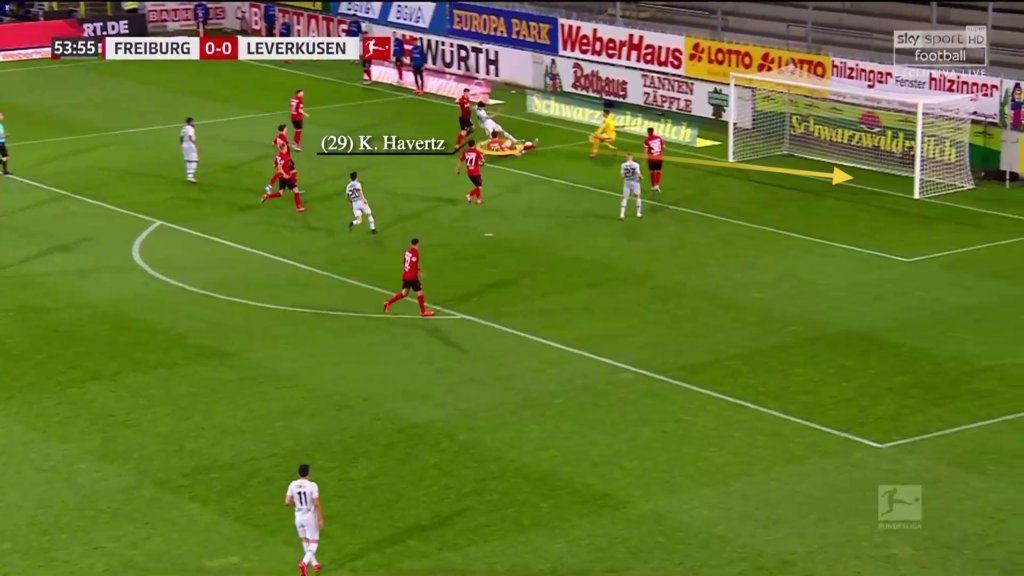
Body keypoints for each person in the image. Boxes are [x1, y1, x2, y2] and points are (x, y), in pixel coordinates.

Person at [285, 464, 323, 576]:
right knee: (314, 542)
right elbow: (317, 504)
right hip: (309, 516)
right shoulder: (312, 486)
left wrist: (296, 503)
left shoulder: (292, 484)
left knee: (305, 540)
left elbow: (287, 502)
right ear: (308, 473)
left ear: (298, 473)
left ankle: (315, 564)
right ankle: (304, 563)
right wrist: (320, 519)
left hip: (298, 516)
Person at [383, 238, 435, 317]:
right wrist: (419, 272)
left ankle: (388, 303)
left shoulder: (407, 251)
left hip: (406, 275)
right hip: (412, 277)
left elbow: (404, 262)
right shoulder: (415, 252)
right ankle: (423, 311)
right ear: (417, 244)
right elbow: (414, 264)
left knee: (404, 293)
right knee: (420, 292)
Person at [457, 139, 485, 204]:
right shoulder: (477, 152)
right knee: (479, 187)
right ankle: (469, 195)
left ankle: (479, 200)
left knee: (477, 186)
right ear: (474, 144)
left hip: (469, 173)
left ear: (468, 145)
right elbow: (483, 161)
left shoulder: (466, 153)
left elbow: (460, 161)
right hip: (476, 172)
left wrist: (458, 169)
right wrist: (482, 162)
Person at [619, 152, 643, 220]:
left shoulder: (623, 165)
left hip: (627, 182)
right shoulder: (636, 164)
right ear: (632, 157)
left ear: (626, 158)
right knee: (638, 197)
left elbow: (622, 176)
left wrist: (625, 176)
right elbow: (638, 173)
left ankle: (622, 215)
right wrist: (641, 177)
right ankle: (638, 213)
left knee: (625, 198)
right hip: (635, 182)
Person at [643, 127, 664, 192]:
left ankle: (653, 186)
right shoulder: (659, 138)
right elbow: (663, 146)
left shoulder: (647, 140)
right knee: (658, 171)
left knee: (652, 171)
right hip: (659, 157)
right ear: (653, 131)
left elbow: (646, 151)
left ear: (648, 132)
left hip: (652, 158)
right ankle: (657, 186)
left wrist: (645, 159)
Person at [180, 117, 198, 183]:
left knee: (188, 161)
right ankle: (190, 176)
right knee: (194, 161)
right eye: (193, 122)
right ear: (190, 122)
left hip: (184, 145)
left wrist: (182, 145)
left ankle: (189, 176)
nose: (194, 123)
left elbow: (181, 138)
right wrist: (195, 144)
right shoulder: (190, 128)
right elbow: (190, 136)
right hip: (190, 145)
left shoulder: (184, 128)